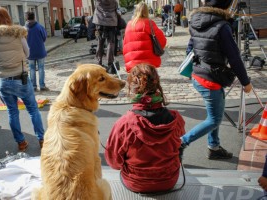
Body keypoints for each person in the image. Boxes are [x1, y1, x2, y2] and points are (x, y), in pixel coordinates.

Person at [180, 0, 252, 160]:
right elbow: (234, 57)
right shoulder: (222, 26)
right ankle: (181, 142)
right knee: (214, 119)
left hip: (199, 75)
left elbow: (190, 48)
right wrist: (245, 82)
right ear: (225, 6)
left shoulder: (195, 21)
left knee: (215, 112)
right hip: (211, 79)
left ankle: (214, 146)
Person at [105, 64, 185, 193]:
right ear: (157, 83)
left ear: (132, 87)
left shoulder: (125, 123)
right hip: (169, 180)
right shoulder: (177, 120)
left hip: (136, 182)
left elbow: (114, 162)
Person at [0, 7, 45, 151]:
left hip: (3, 79)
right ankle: (42, 139)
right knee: (32, 109)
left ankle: (21, 142)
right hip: (20, 76)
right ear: (8, 18)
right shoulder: (18, 34)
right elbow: (28, 52)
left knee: (12, 112)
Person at [123, 1, 167, 73]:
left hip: (134, 64)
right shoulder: (149, 23)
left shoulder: (130, 24)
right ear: (147, 11)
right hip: (149, 64)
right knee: (150, 82)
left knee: (135, 83)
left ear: (136, 11)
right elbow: (162, 41)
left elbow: (125, 45)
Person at [25, 11, 49, 92]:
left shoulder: (24, 28)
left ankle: (33, 86)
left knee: (31, 69)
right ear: (34, 17)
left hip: (29, 52)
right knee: (41, 68)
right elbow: (44, 37)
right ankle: (42, 85)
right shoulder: (39, 27)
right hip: (40, 51)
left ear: (27, 18)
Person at [92, 0, 118, 74]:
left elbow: (96, 6)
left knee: (100, 43)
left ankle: (98, 62)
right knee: (111, 43)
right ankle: (110, 63)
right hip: (111, 22)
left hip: (100, 21)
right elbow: (116, 7)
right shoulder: (114, 2)